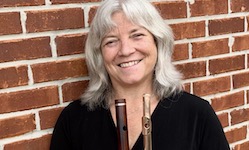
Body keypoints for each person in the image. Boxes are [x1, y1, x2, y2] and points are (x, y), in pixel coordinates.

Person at [50, 0, 230, 149]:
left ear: (157, 43)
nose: (126, 50)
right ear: (99, 54)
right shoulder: (73, 120)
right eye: (111, 41)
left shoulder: (197, 115)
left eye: (137, 35)